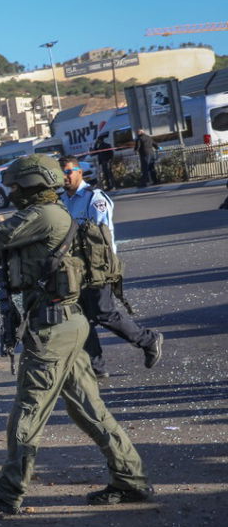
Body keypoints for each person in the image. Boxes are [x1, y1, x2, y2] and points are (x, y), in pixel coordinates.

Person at [0, 155, 150, 513]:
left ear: (31, 184)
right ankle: (130, 479)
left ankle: (8, 489)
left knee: (28, 410)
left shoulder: (46, 215)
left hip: (53, 330)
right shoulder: (41, 216)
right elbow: (3, 252)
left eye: (14, 186)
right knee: (89, 409)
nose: (11, 192)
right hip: (66, 325)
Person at [60, 158, 164, 377]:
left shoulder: (94, 198)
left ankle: (148, 340)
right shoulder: (62, 200)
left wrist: (103, 269)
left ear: (80, 172)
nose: (65, 176)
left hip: (97, 266)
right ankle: (95, 367)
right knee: (80, 317)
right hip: (73, 269)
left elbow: (103, 237)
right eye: (62, 173)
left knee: (104, 313)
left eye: (69, 171)